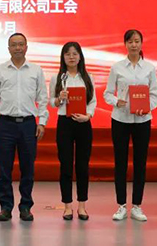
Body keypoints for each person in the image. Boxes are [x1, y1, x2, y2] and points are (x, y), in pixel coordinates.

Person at [0, 33, 48, 222]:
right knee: (4, 170)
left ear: (26, 47)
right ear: (8, 48)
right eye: (14, 45)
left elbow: (42, 98)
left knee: (28, 168)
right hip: (5, 124)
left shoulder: (36, 70)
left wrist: (42, 121)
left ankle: (26, 206)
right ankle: (5, 207)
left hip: (29, 124)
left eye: (21, 44)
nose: (17, 48)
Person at [103, 29, 157, 222]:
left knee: (140, 163)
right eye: (130, 41)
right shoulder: (117, 67)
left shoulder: (149, 68)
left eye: (137, 41)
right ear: (125, 44)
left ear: (141, 43)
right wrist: (116, 101)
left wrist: (147, 107)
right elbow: (107, 93)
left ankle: (137, 206)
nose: (134, 45)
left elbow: (155, 95)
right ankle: (121, 205)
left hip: (142, 121)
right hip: (120, 119)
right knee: (120, 162)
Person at [50, 41, 96, 221]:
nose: (71, 57)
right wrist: (59, 99)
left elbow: (92, 101)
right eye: (68, 54)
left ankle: (82, 206)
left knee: (83, 166)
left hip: (83, 123)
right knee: (66, 165)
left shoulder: (87, 77)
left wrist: (88, 116)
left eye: (75, 53)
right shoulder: (58, 78)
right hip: (65, 123)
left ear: (80, 57)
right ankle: (67, 206)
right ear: (63, 57)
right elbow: (51, 102)